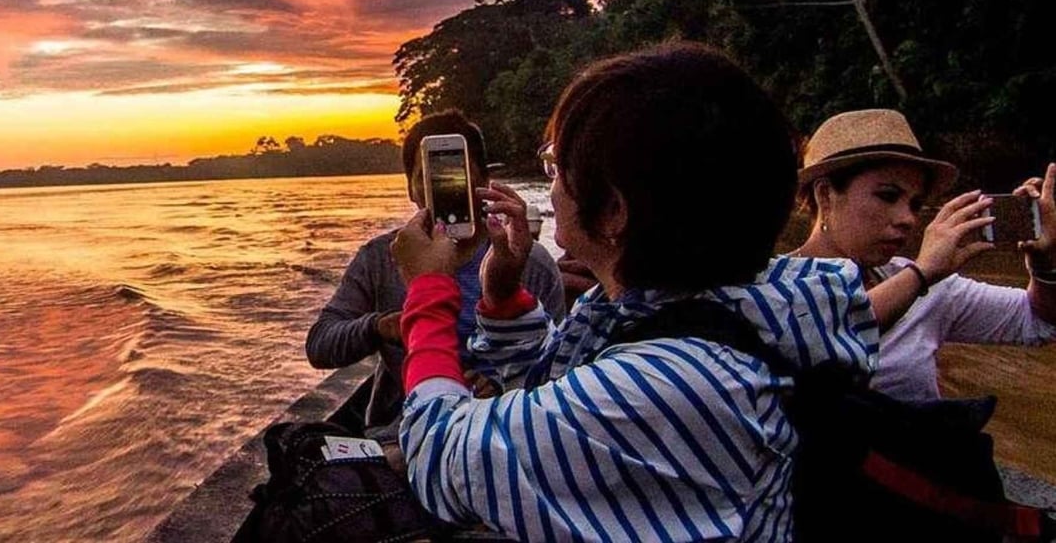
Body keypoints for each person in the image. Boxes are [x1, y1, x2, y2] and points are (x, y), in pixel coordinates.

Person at [391, 44, 877, 541]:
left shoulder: (673, 383)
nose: (552, 189)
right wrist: (504, 294)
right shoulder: (722, 303)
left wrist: (428, 290)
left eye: (557, 168)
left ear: (613, 212)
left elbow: (441, 456)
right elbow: (553, 391)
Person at [304, 109, 566, 442]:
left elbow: (557, 371)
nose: (438, 190)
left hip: (503, 431)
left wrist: (501, 385)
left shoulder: (527, 262)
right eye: (424, 178)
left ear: (484, 182)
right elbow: (320, 345)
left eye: (454, 176)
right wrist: (380, 326)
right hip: (398, 433)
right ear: (411, 190)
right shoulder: (383, 258)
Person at [793, 108, 1056, 401]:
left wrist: (1044, 265)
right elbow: (815, 333)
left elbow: (1037, 321)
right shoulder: (770, 285)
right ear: (825, 195)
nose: (907, 218)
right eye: (888, 196)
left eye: (915, 204)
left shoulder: (923, 282)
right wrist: (920, 275)